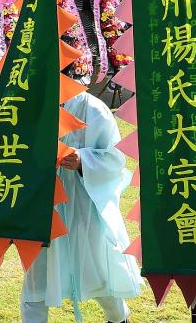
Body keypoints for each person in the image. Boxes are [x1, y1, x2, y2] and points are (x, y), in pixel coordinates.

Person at [21, 38, 142, 323]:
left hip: (83, 204)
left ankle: (118, 317)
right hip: (43, 205)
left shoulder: (93, 109)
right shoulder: (31, 106)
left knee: (98, 272)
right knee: (36, 280)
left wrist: (83, 160)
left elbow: (115, 160)